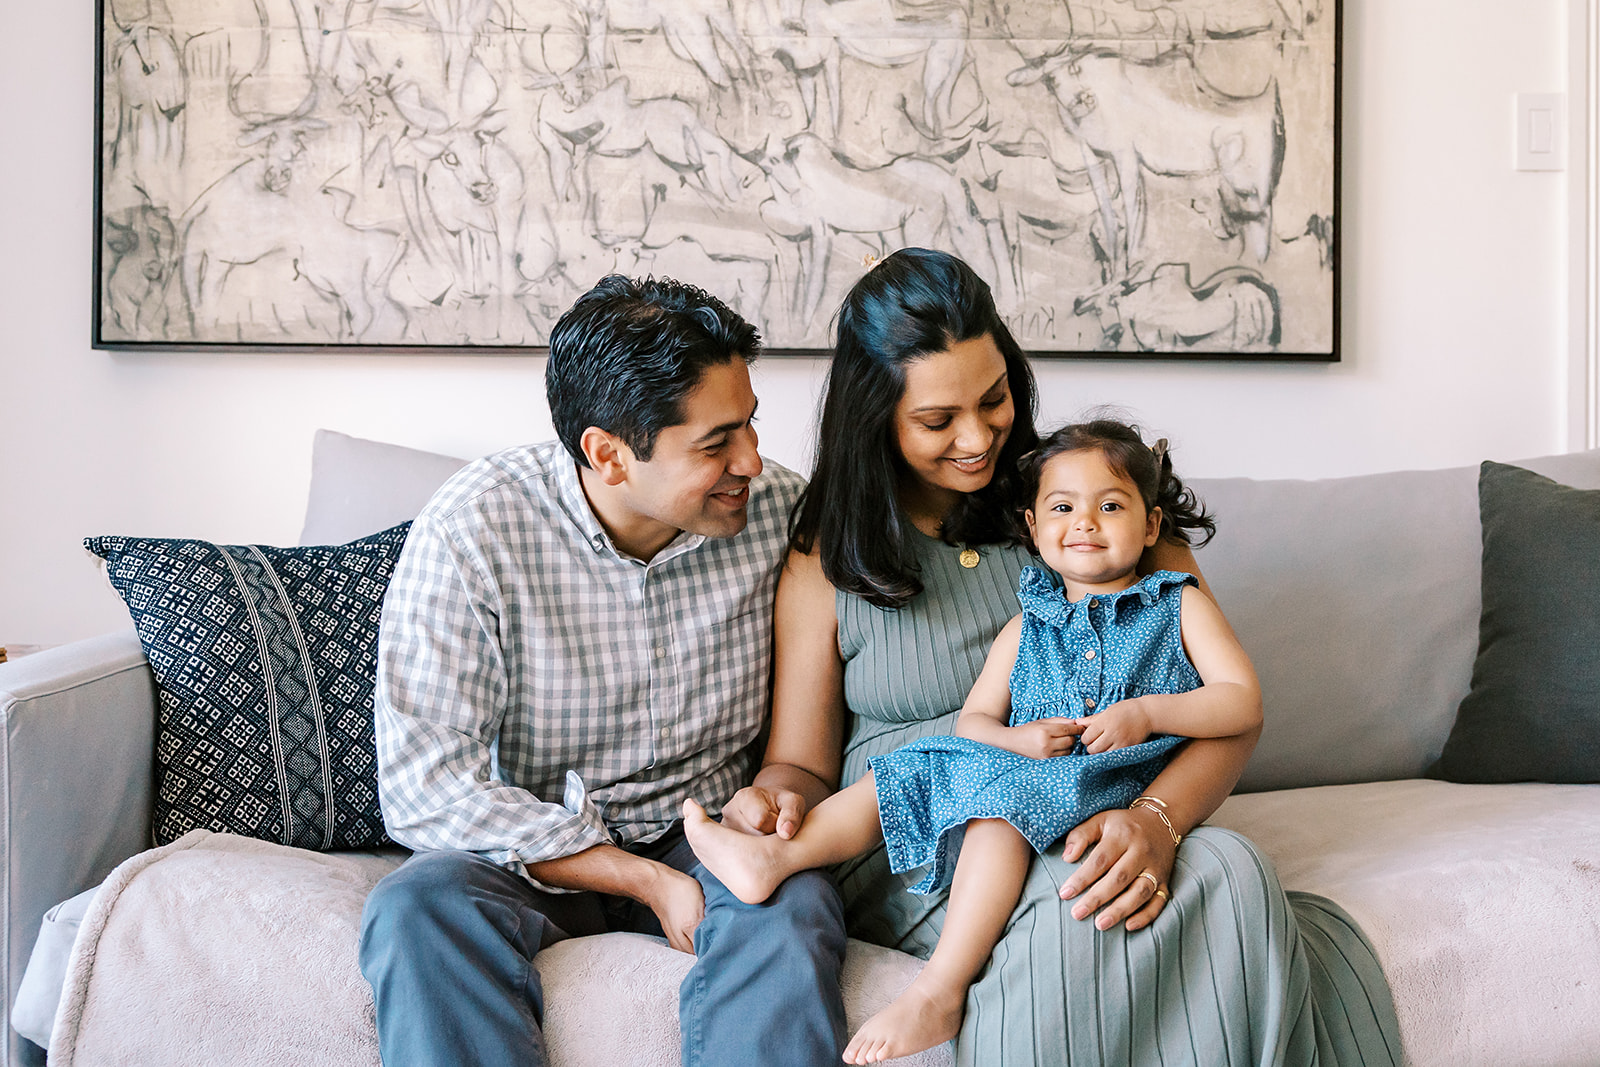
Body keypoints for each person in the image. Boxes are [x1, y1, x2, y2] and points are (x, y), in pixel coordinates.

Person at [716, 248, 1400, 1065]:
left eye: (994, 398)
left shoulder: (1095, 503)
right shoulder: (827, 553)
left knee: (1227, 867)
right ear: (876, 418)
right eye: (938, 421)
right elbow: (800, 760)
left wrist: (1158, 819)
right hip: (927, 835)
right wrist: (774, 801)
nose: (977, 437)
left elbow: (1229, 711)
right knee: (1082, 910)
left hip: (1097, 796)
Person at [358, 275, 848, 1067]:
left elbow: (805, 748)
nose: (752, 459)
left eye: (749, 423)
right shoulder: (475, 526)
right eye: (716, 442)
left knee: (793, 902)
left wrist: (773, 802)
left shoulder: (786, 519)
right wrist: (641, 880)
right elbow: (423, 784)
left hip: (707, 833)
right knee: (417, 906)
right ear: (608, 454)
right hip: (536, 845)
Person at [684, 418, 1264, 1062]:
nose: (1086, 524)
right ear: (1035, 528)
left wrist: (1151, 716)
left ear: (1151, 525)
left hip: (1114, 785)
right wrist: (1015, 741)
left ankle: (941, 987)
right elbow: (974, 723)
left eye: (1111, 507)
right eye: (1064, 509)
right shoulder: (1027, 626)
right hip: (1036, 771)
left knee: (998, 812)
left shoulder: (1177, 602)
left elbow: (1241, 701)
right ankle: (778, 859)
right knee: (916, 766)